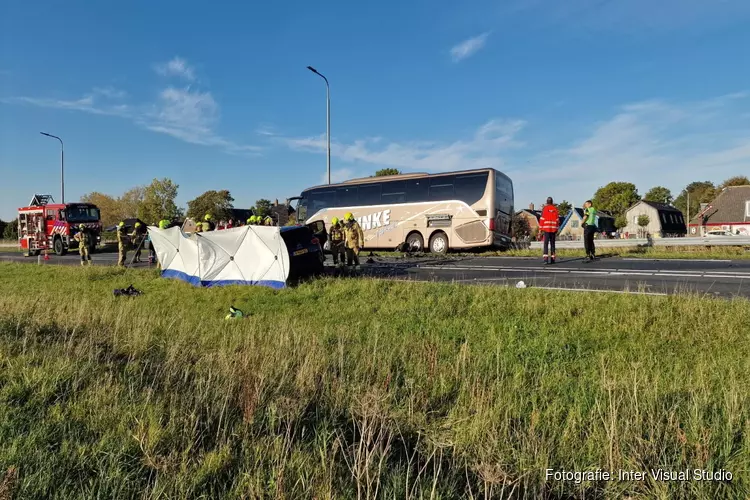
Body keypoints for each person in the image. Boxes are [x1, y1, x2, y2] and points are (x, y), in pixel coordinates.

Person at [539, 197, 559, 265]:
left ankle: (545, 260)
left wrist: (540, 230)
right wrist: (557, 229)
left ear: (547, 202)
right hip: (553, 229)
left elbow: (542, 219)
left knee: (546, 244)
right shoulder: (555, 209)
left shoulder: (545, 209)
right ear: (552, 202)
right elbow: (557, 220)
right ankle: (553, 259)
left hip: (546, 229)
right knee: (553, 244)